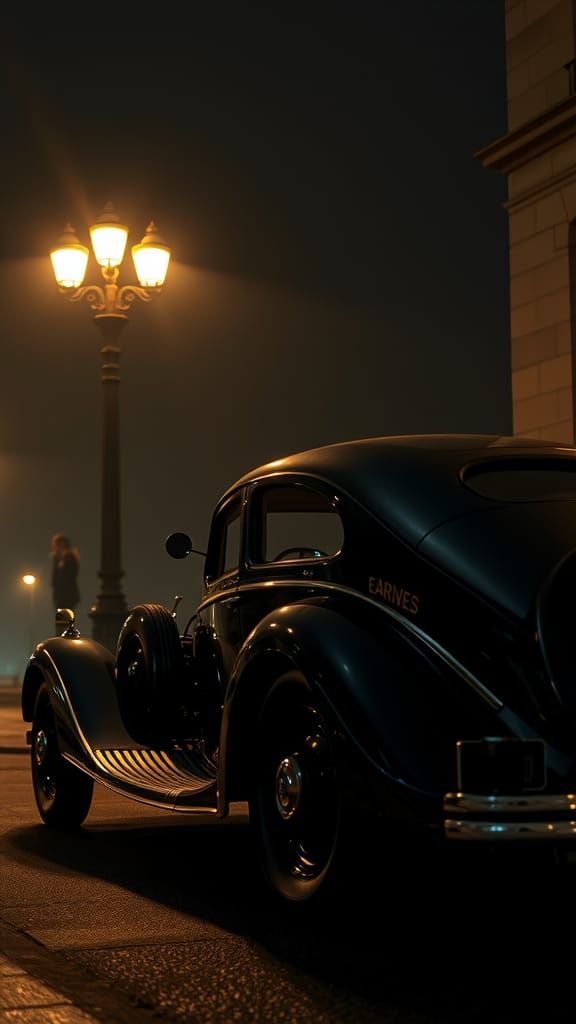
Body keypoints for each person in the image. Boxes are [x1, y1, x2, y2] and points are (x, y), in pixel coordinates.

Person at [50, 533, 80, 612]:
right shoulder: (59, 559)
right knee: (64, 620)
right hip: (62, 596)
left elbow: (69, 576)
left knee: (64, 620)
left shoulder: (68, 558)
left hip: (65, 596)